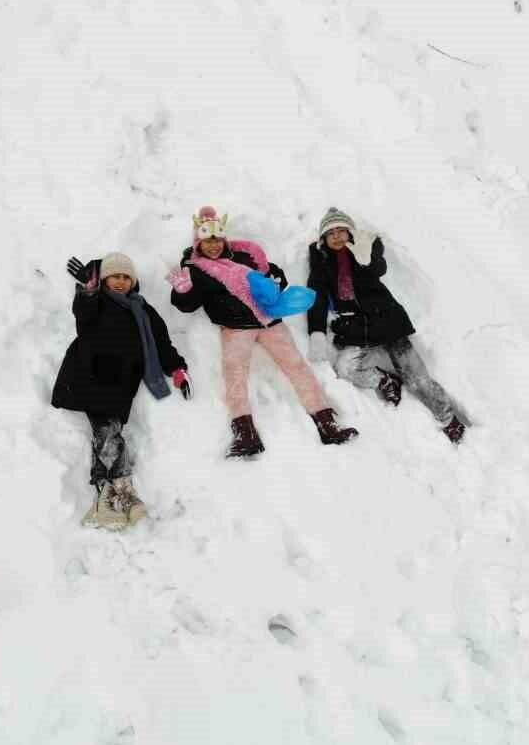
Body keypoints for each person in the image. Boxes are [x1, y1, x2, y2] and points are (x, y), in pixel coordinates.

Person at [167, 206, 358, 459]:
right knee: (235, 375)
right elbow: (188, 305)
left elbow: (273, 274)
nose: (213, 246)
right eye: (207, 241)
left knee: (297, 366)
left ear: (224, 239)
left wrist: (276, 280)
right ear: (198, 243)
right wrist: (182, 290)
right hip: (235, 329)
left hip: (269, 321)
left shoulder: (245, 256)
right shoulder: (197, 269)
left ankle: (327, 422)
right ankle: (245, 434)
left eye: (217, 240)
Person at [305, 208, 468, 444]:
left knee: (417, 377)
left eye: (342, 231)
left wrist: (366, 258)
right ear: (324, 239)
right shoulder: (321, 263)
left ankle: (448, 420)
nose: (338, 237)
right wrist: (316, 332)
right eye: (332, 234)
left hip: (388, 320)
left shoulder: (366, 247)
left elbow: (378, 270)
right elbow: (317, 298)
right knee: (345, 370)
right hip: (356, 328)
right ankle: (385, 381)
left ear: (351, 232)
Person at [52, 252, 191, 528]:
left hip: (121, 382)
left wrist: (176, 369)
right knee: (107, 431)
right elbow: (83, 318)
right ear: (104, 279)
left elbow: (161, 342)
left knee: (111, 430)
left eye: (126, 277)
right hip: (90, 374)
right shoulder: (98, 302)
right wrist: (88, 293)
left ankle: (115, 492)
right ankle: (111, 492)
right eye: (115, 276)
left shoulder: (142, 309)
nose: (120, 281)